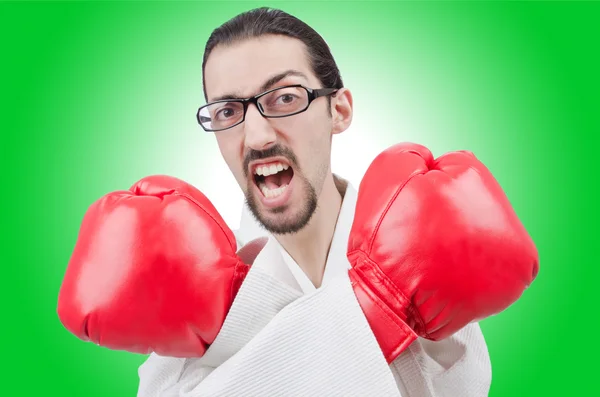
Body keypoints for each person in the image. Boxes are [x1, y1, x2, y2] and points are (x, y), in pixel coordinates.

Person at [56, 7, 539, 397]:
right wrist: (377, 312)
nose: (257, 134)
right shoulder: (198, 318)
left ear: (340, 110)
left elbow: (468, 384)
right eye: (228, 111)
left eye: (285, 98)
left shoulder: (423, 246)